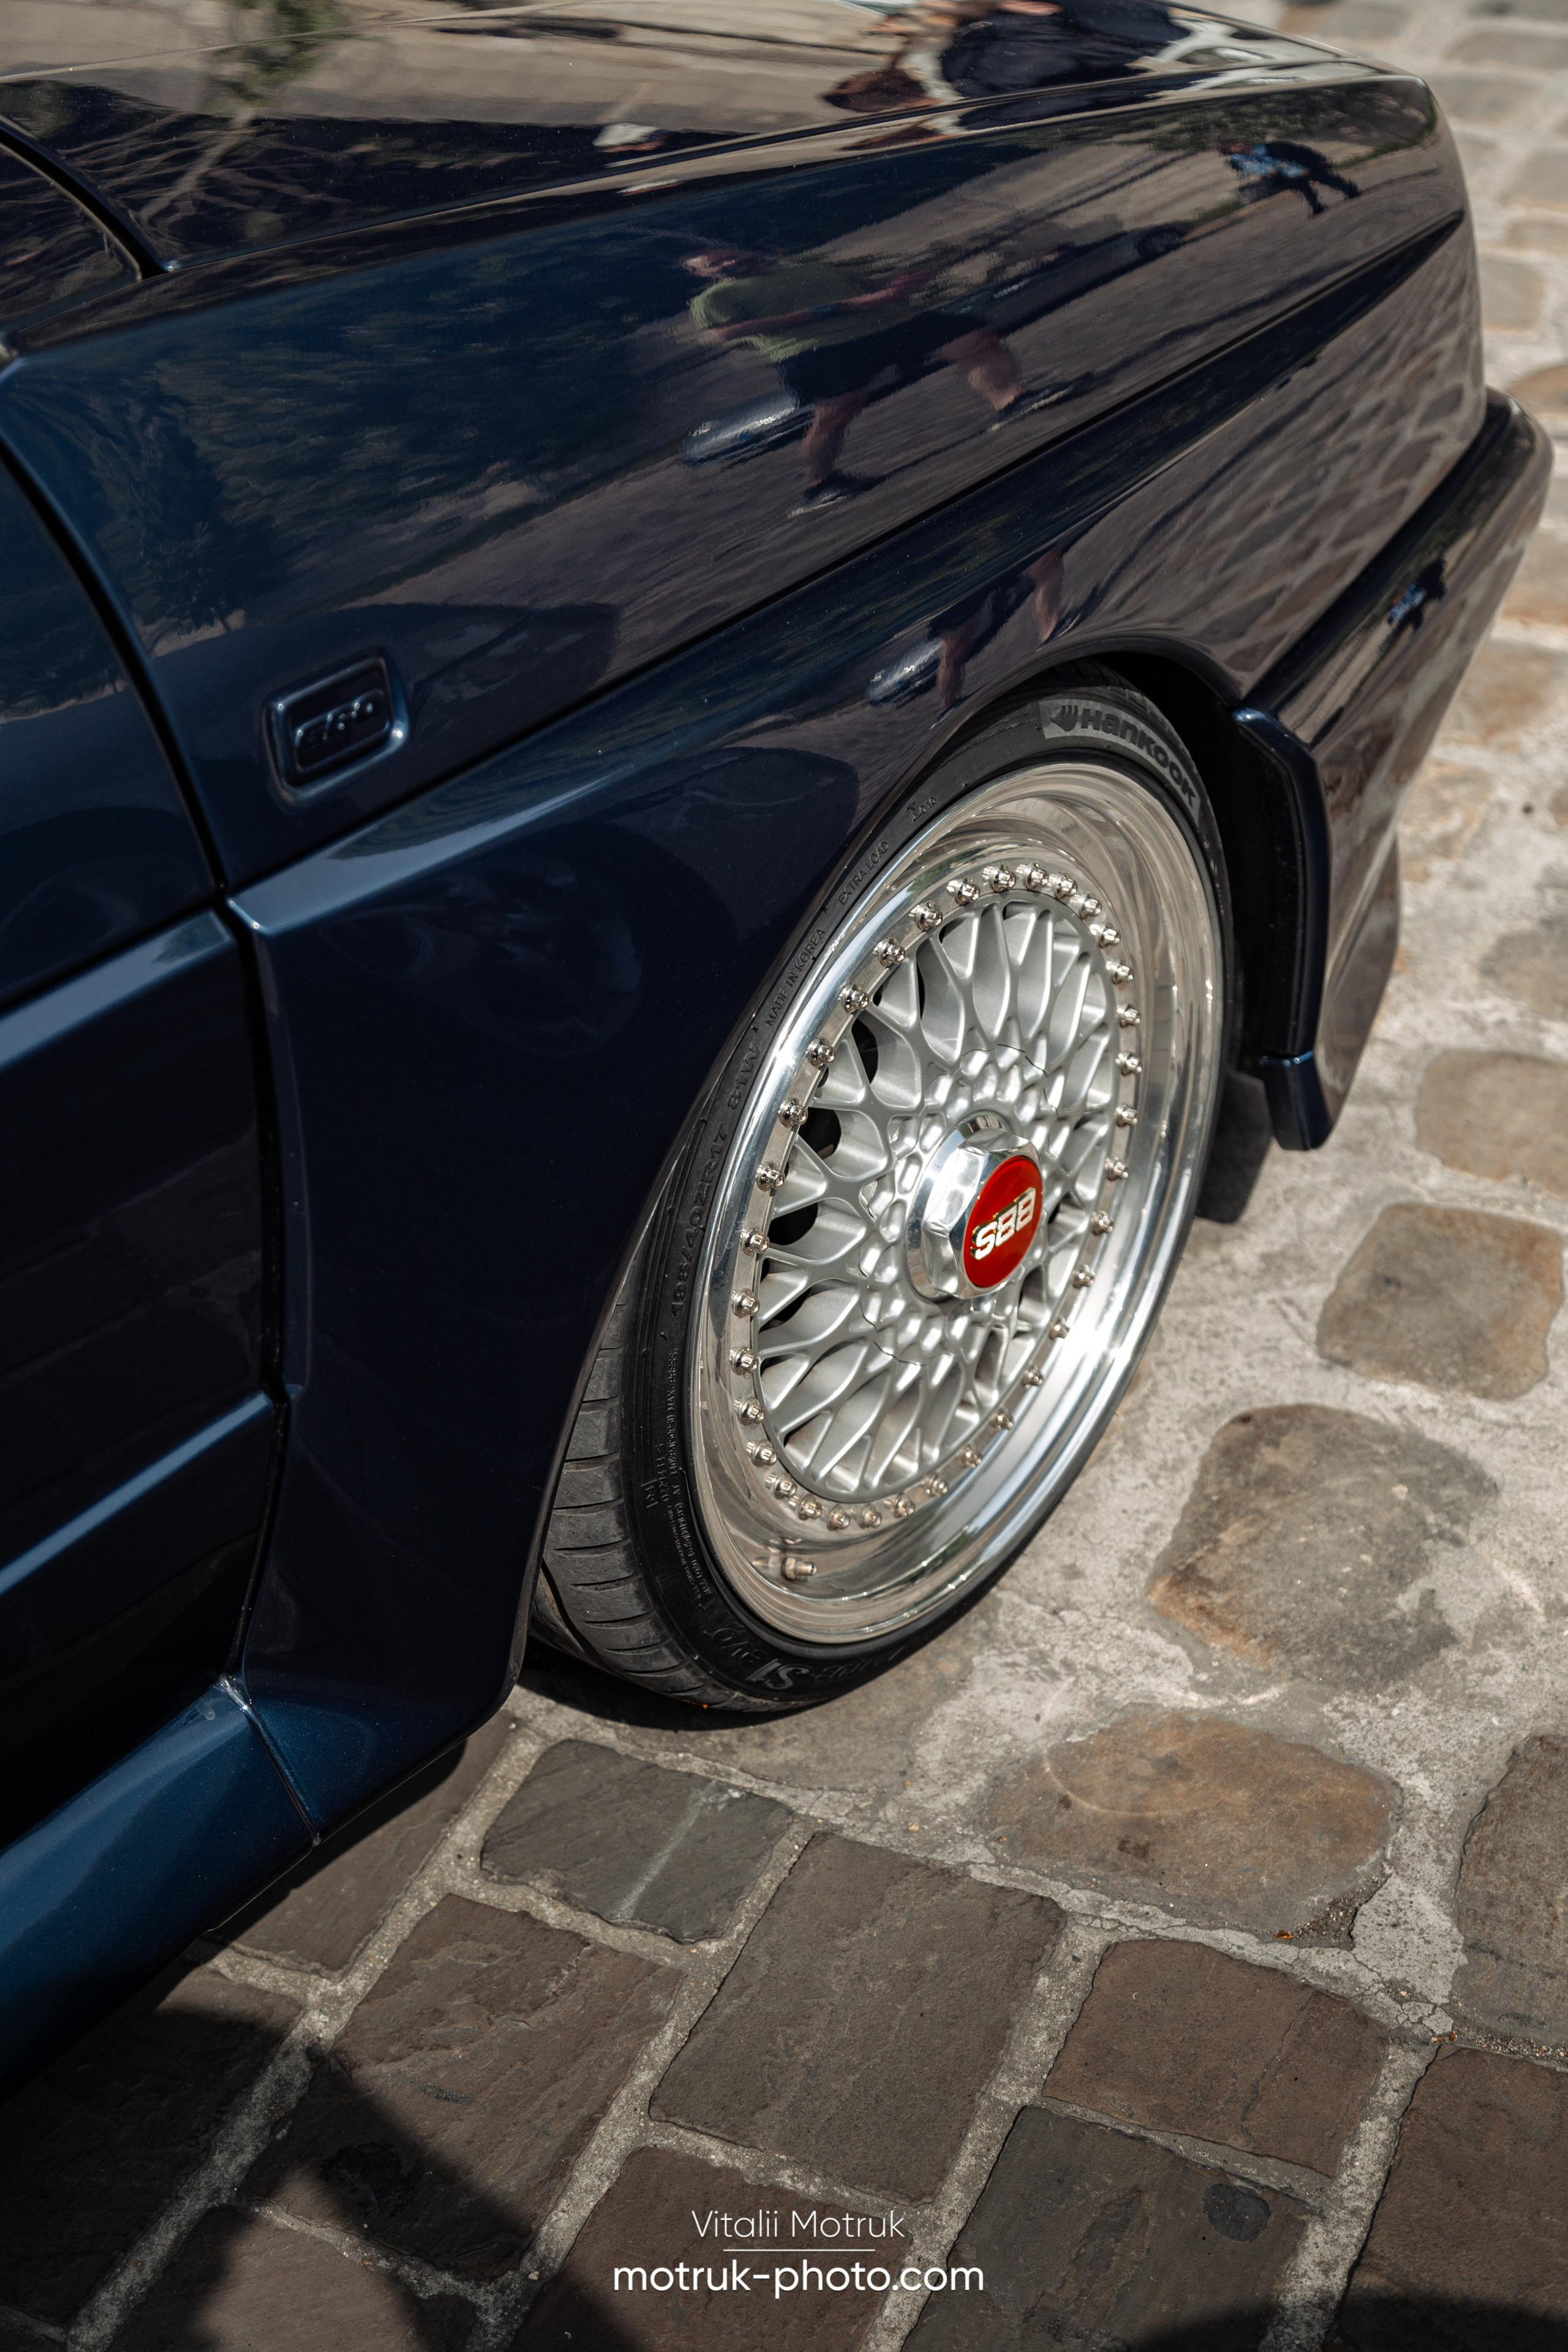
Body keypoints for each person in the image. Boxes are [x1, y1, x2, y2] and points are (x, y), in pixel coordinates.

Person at [683, 246, 1054, 514]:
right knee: (838, 411)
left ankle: (1012, 402)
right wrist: (816, 314)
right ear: (701, 274)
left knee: (977, 342)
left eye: (728, 253)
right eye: (714, 263)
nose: (728, 261)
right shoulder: (715, 297)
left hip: (890, 322)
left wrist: (902, 285)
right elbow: (726, 334)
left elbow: (868, 288)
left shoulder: (807, 266)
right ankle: (820, 486)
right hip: (815, 347)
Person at [1221, 137, 1362, 216]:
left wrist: (1317, 159)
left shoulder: (1272, 146)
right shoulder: (1242, 160)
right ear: (1231, 151)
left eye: (1239, 142)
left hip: (1301, 165)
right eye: (1234, 146)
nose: (1239, 145)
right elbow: (1255, 168)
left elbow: (1298, 150)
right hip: (1285, 174)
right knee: (1303, 188)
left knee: (1326, 179)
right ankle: (1316, 206)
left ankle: (1350, 190)